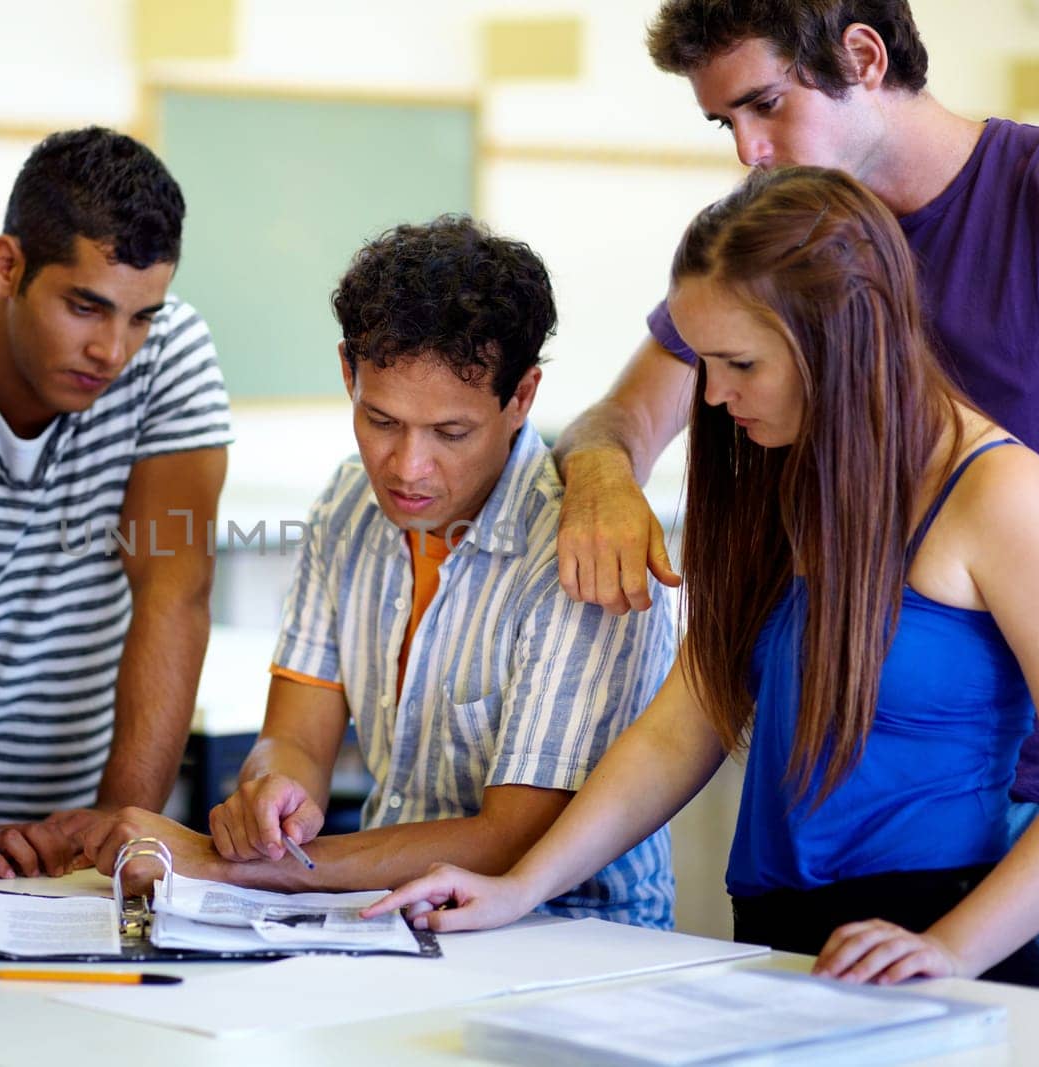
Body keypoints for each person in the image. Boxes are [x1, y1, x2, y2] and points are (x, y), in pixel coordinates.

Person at [369, 168, 1039, 989]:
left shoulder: (999, 493)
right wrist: (520, 886)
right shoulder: (791, 472)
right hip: (779, 945)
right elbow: (687, 720)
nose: (714, 395)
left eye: (740, 363)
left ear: (840, 337)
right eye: (704, 362)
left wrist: (954, 948)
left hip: (936, 947)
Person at [551, 0, 1039, 991]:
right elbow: (617, 421)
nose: (750, 152)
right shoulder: (769, 267)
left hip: (1037, 805)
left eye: (764, 106)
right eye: (724, 124)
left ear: (863, 56)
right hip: (824, 862)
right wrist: (602, 477)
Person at [80, 216, 678, 928]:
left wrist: (232, 864)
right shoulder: (346, 508)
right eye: (381, 420)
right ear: (347, 373)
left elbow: (509, 837)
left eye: (450, 433)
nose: (406, 467)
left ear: (521, 398)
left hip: (572, 943)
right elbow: (297, 736)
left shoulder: (577, 552)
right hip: (389, 923)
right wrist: (275, 791)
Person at [0, 126, 232, 879]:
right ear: (7, 267)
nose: (115, 351)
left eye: (140, 315)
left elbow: (174, 594)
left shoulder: (171, 355)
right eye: (86, 307)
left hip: (75, 846)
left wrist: (116, 832)